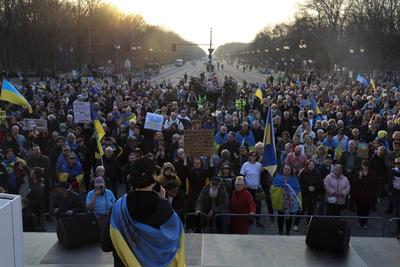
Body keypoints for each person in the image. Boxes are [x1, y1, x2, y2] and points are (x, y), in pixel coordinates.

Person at [101, 157, 185, 267]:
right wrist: (163, 201)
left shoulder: (118, 208)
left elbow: (105, 245)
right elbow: (174, 243)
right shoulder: (163, 208)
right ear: (154, 177)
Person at [271, 164, 301, 235]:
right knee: (280, 217)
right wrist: (280, 189)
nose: (287, 171)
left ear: (290, 171)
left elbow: (297, 189)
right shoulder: (278, 178)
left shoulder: (294, 179)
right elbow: (273, 188)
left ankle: (288, 231)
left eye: (288, 169)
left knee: (289, 218)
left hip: (290, 201)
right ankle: (280, 231)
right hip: (280, 200)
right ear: (283, 169)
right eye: (285, 169)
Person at [294, 160, 323, 230]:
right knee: (301, 210)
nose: (311, 166)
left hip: (313, 195)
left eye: (312, 164)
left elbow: (320, 183)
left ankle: (309, 225)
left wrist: (315, 188)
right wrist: (307, 187)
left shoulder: (317, 173)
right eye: (309, 164)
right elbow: (300, 183)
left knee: (311, 211)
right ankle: (296, 224)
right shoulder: (303, 173)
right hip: (304, 194)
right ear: (307, 165)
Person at [240, 150, 264, 227]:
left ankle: (258, 220)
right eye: (251, 155)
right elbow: (241, 176)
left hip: (257, 189)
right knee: (248, 204)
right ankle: (248, 219)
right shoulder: (245, 165)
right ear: (249, 156)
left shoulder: (259, 165)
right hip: (248, 188)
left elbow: (263, 176)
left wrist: (263, 171)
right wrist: (244, 185)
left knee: (258, 205)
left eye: (255, 155)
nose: (253, 157)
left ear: (256, 157)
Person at [352, 161, 376, 228]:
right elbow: (355, 183)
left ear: (369, 166)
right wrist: (359, 177)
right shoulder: (357, 172)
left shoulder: (372, 173)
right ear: (361, 165)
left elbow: (373, 184)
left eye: (367, 165)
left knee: (366, 209)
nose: (365, 166)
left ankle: (365, 222)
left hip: (368, 194)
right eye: (364, 165)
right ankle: (360, 221)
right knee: (359, 208)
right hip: (359, 194)